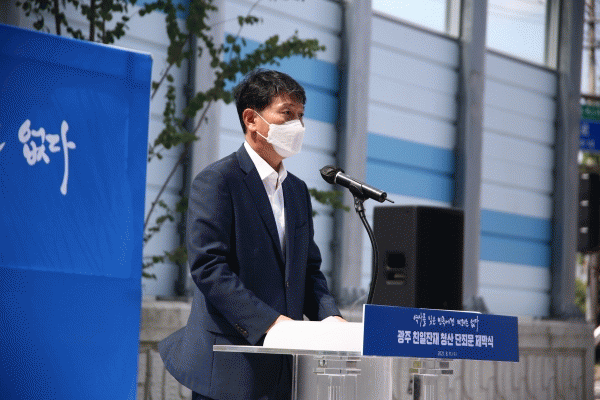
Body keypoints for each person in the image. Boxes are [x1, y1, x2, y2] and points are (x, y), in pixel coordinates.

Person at [158, 69, 344, 400]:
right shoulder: (218, 180)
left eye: (301, 116)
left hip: (284, 371)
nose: (298, 126)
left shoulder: (297, 191)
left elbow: (308, 270)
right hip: (230, 367)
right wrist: (271, 323)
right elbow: (209, 268)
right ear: (252, 119)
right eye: (287, 113)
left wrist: (330, 316)